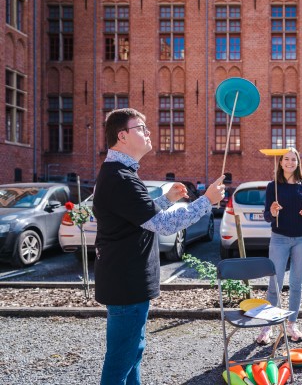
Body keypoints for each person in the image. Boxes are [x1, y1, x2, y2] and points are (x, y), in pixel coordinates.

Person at [93, 108, 225, 385]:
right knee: (121, 361)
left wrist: (166, 199)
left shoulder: (121, 174)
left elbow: (139, 217)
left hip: (127, 283)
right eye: (141, 127)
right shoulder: (120, 177)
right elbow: (162, 225)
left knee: (132, 354)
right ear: (122, 135)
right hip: (125, 284)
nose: (148, 132)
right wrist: (207, 201)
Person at [256, 147, 302, 344]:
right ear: (280, 163)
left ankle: (292, 324)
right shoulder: (272, 186)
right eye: (286, 159)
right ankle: (267, 327)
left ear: (298, 163)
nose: (290, 162)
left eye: (294, 159)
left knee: (296, 285)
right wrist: (273, 212)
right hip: (279, 238)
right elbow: (267, 216)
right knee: (274, 284)